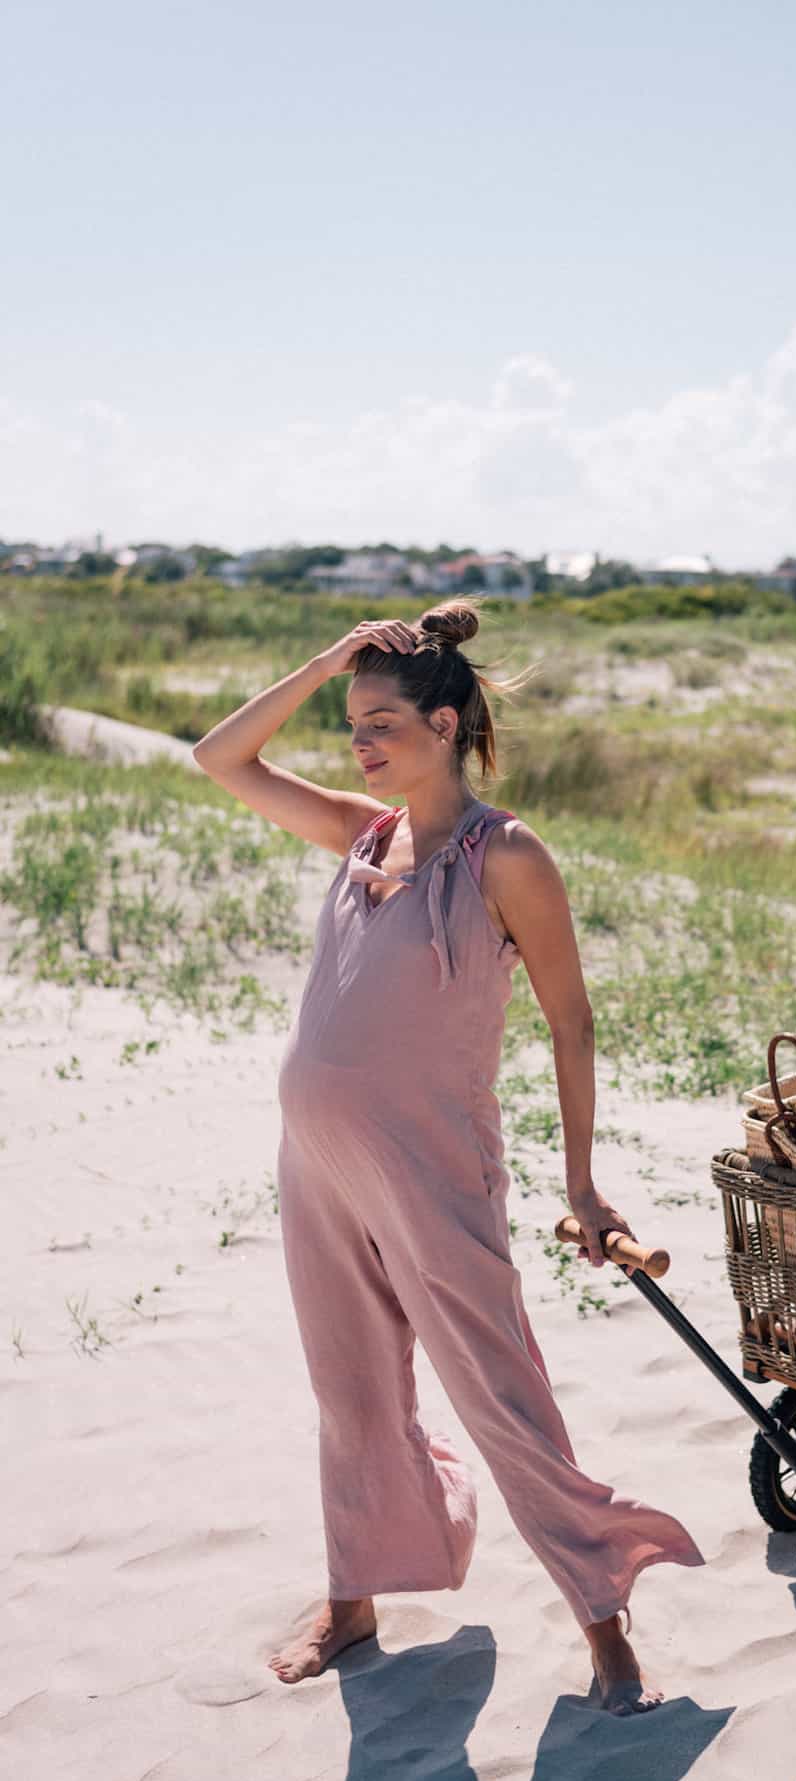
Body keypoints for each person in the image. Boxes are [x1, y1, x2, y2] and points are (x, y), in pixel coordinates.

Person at [192, 599, 704, 1714]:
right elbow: (217, 755)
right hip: (316, 1162)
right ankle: (355, 1594)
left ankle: (603, 1619)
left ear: (445, 722)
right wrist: (330, 655)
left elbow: (571, 1021)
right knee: (351, 1383)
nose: (362, 744)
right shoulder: (361, 833)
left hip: (431, 1168)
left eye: (379, 721)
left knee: (502, 1396)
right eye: (351, 723)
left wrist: (580, 1180)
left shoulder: (504, 854)